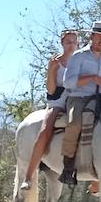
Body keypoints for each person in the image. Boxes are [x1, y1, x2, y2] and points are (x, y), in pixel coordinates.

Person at [58, 20, 101, 185]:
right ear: (91, 36)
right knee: (74, 123)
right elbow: (68, 82)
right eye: (99, 37)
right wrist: (91, 78)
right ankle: (68, 168)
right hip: (79, 97)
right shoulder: (79, 56)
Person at [19, 28, 78, 190]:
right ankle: (28, 176)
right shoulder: (55, 61)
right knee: (45, 130)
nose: (71, 45)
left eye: (74, 42)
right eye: (68, 42)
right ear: (62, 43)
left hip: (78, 100)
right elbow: (51, 90)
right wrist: (51, 70)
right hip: (59, 101)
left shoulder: (81, 61)